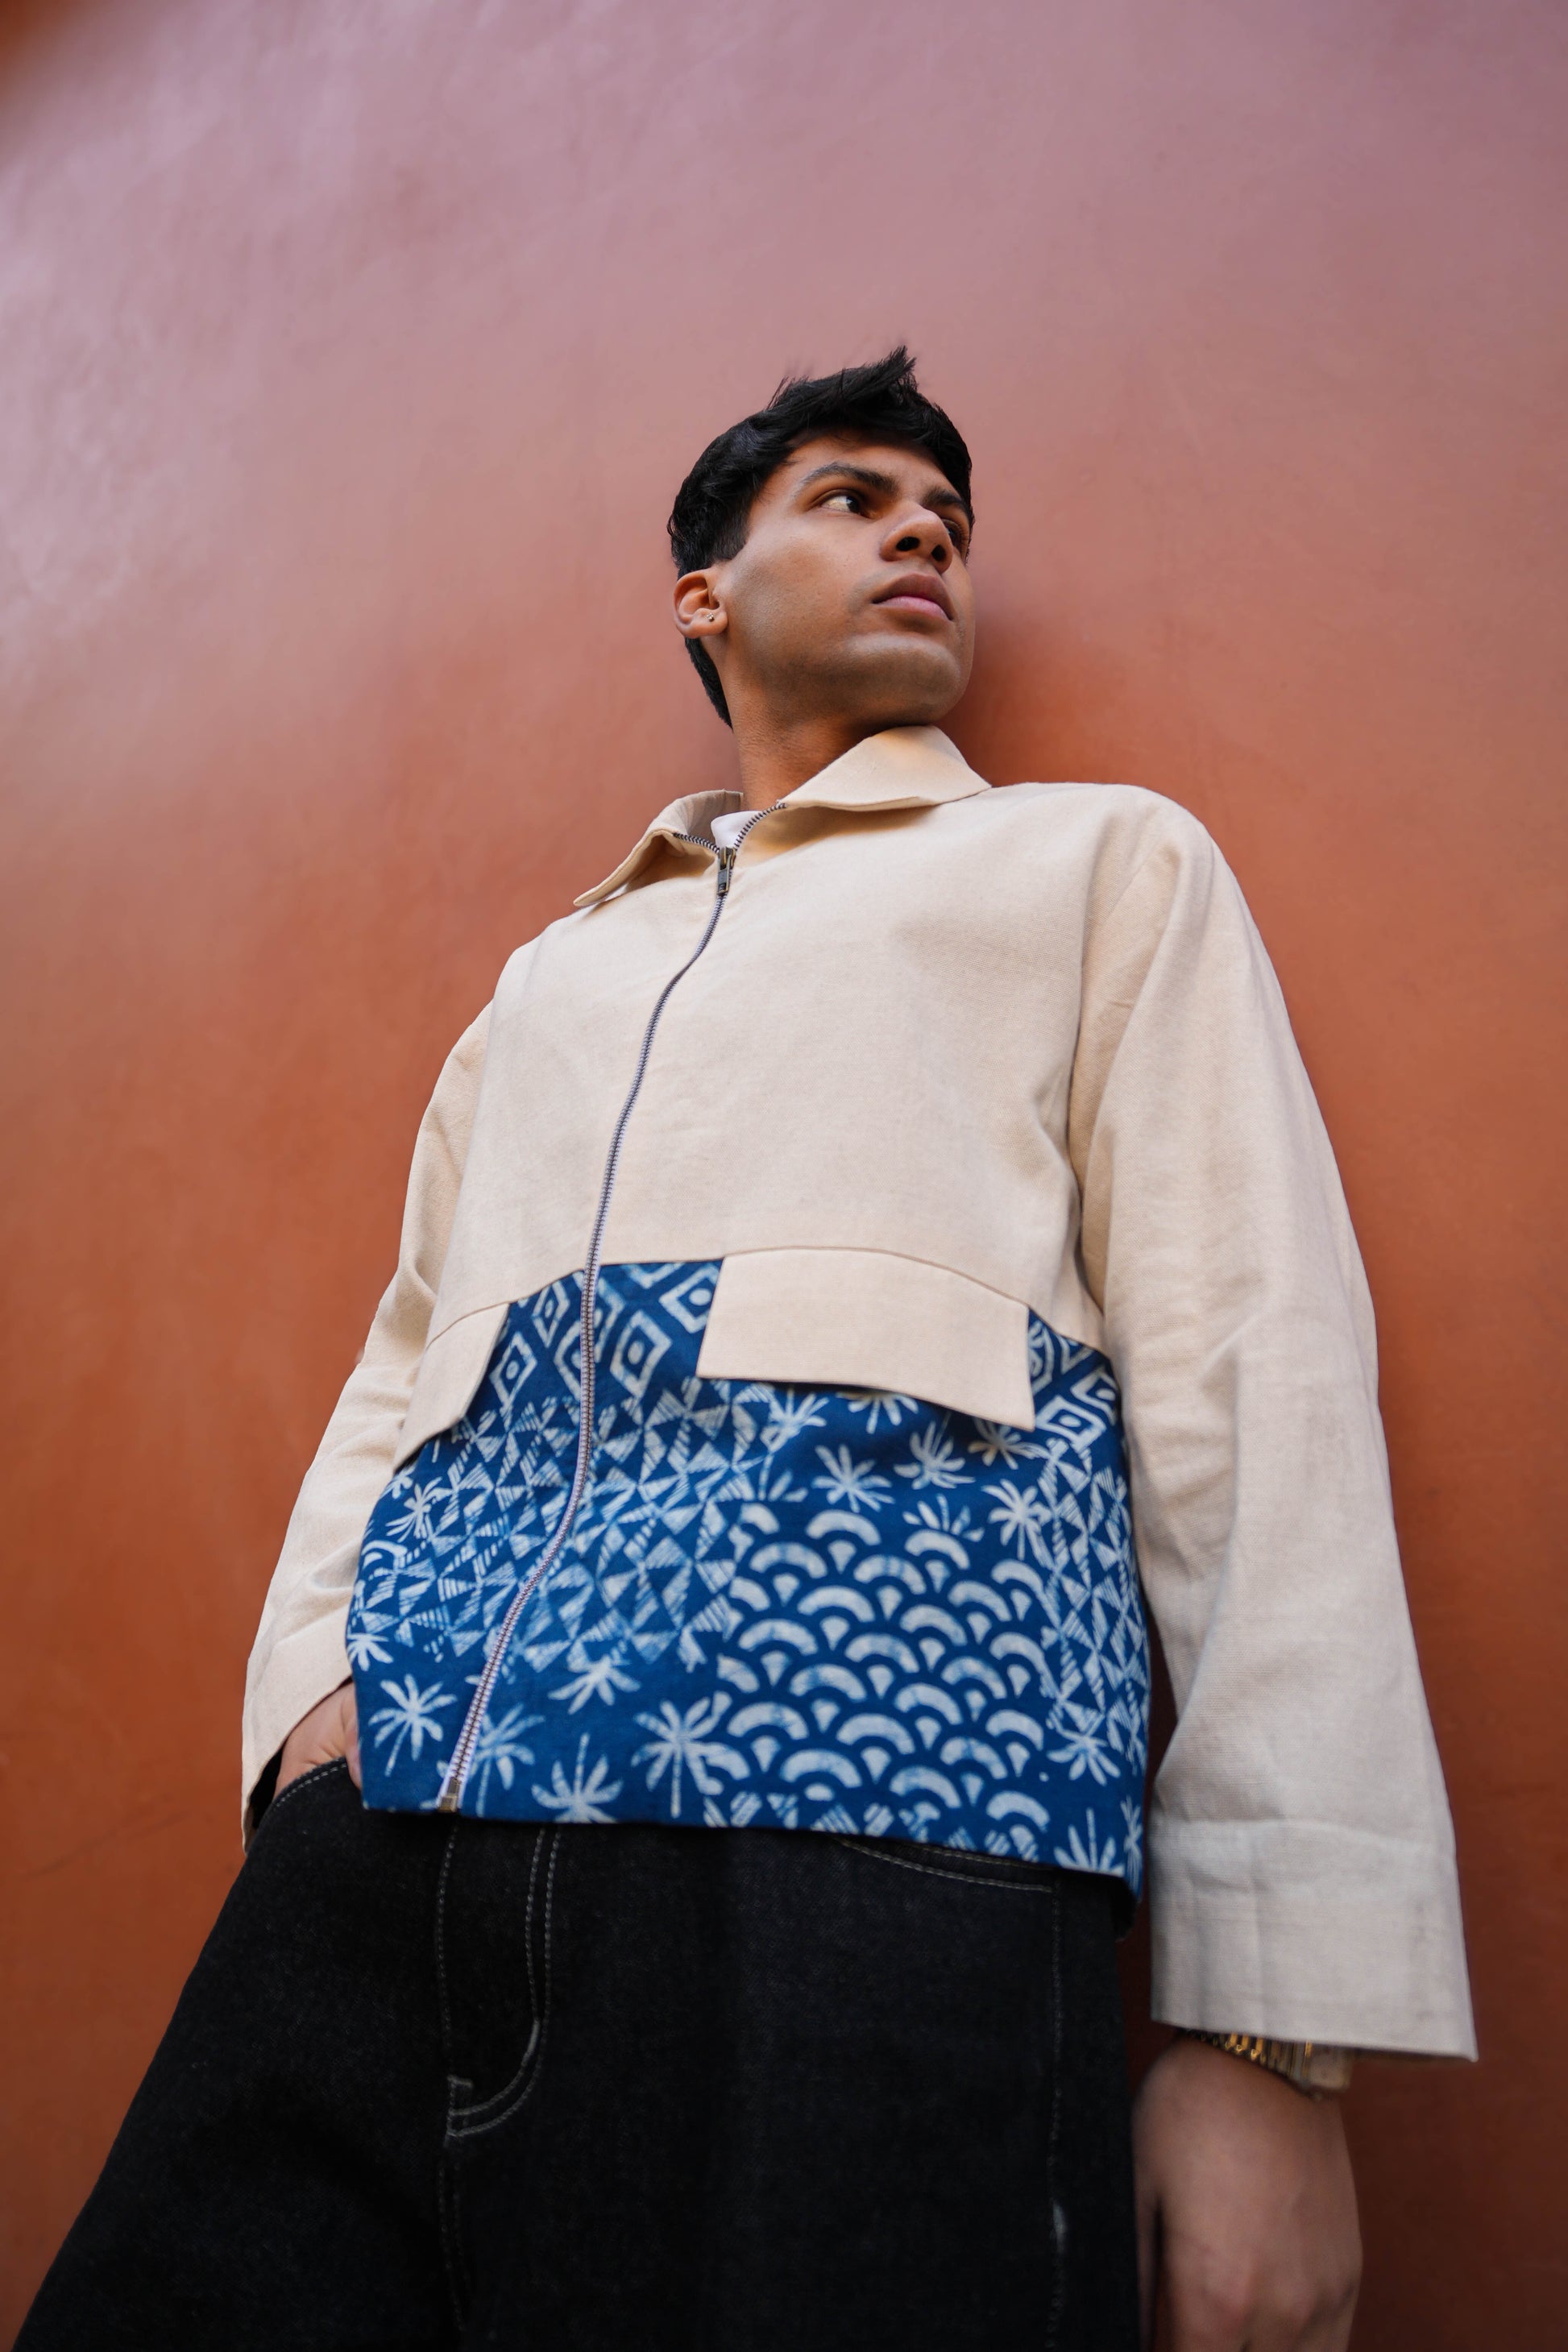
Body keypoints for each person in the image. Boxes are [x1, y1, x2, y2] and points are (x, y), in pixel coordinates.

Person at [20, 351, 1474, 2352]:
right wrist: (302, 1716)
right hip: (395, 1842)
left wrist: (1272, 2037)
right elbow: (403, 1367)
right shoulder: (548, 981)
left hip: (872, 1839)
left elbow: (1259, 1374)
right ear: (703, 594)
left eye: (946, 516)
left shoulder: (1100, 869)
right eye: (853, 497)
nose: (923, 530)